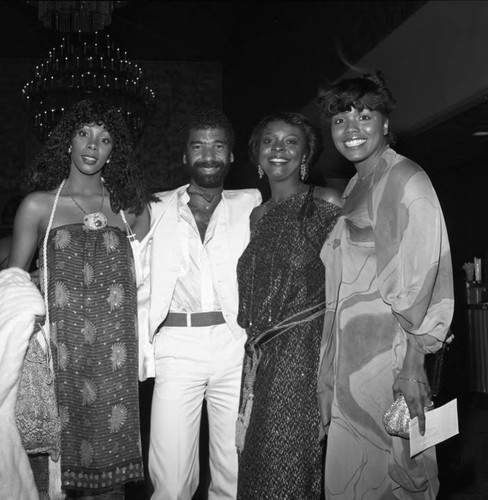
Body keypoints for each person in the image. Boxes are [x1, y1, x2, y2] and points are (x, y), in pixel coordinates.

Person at [316, 72, 454, 499]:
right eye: (341, 119)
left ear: (386, 123)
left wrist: (413, 365)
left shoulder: (404, 179)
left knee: (391, 478)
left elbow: (425, 278)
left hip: (388, 361)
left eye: (364, 115)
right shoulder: (358, 184)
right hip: (350, 362)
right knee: (355, 479)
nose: (351, 128)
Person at [8, 99, 153, 499]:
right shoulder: (38, 206)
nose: (93, 146)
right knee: (57, 471)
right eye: (84, 134)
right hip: (60, 352)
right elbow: (12, 285)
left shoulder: (131, 211)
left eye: (105, 139)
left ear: (114, 151)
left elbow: (152, 277)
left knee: (110, 477)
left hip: (115, 358)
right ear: (67, 142)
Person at [139, 108, 262, 500]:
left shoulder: (253, 203)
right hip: (176, 344)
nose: (208, 155)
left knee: (234, 468)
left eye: (218, 146)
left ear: (230, 156)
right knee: (171, 476)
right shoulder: (153, 208)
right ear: (184, 157)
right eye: (198, 146)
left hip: (235, 344)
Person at [235, 112, 342, 499]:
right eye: (269, 141)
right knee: (256, 463)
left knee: (292, 465)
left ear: (305, 155)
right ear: (257, 156)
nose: (278, 149)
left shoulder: (326, 203)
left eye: (290, 141)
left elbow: (350, 282)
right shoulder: (257, 216)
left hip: (303, 355)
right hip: (261, 359)